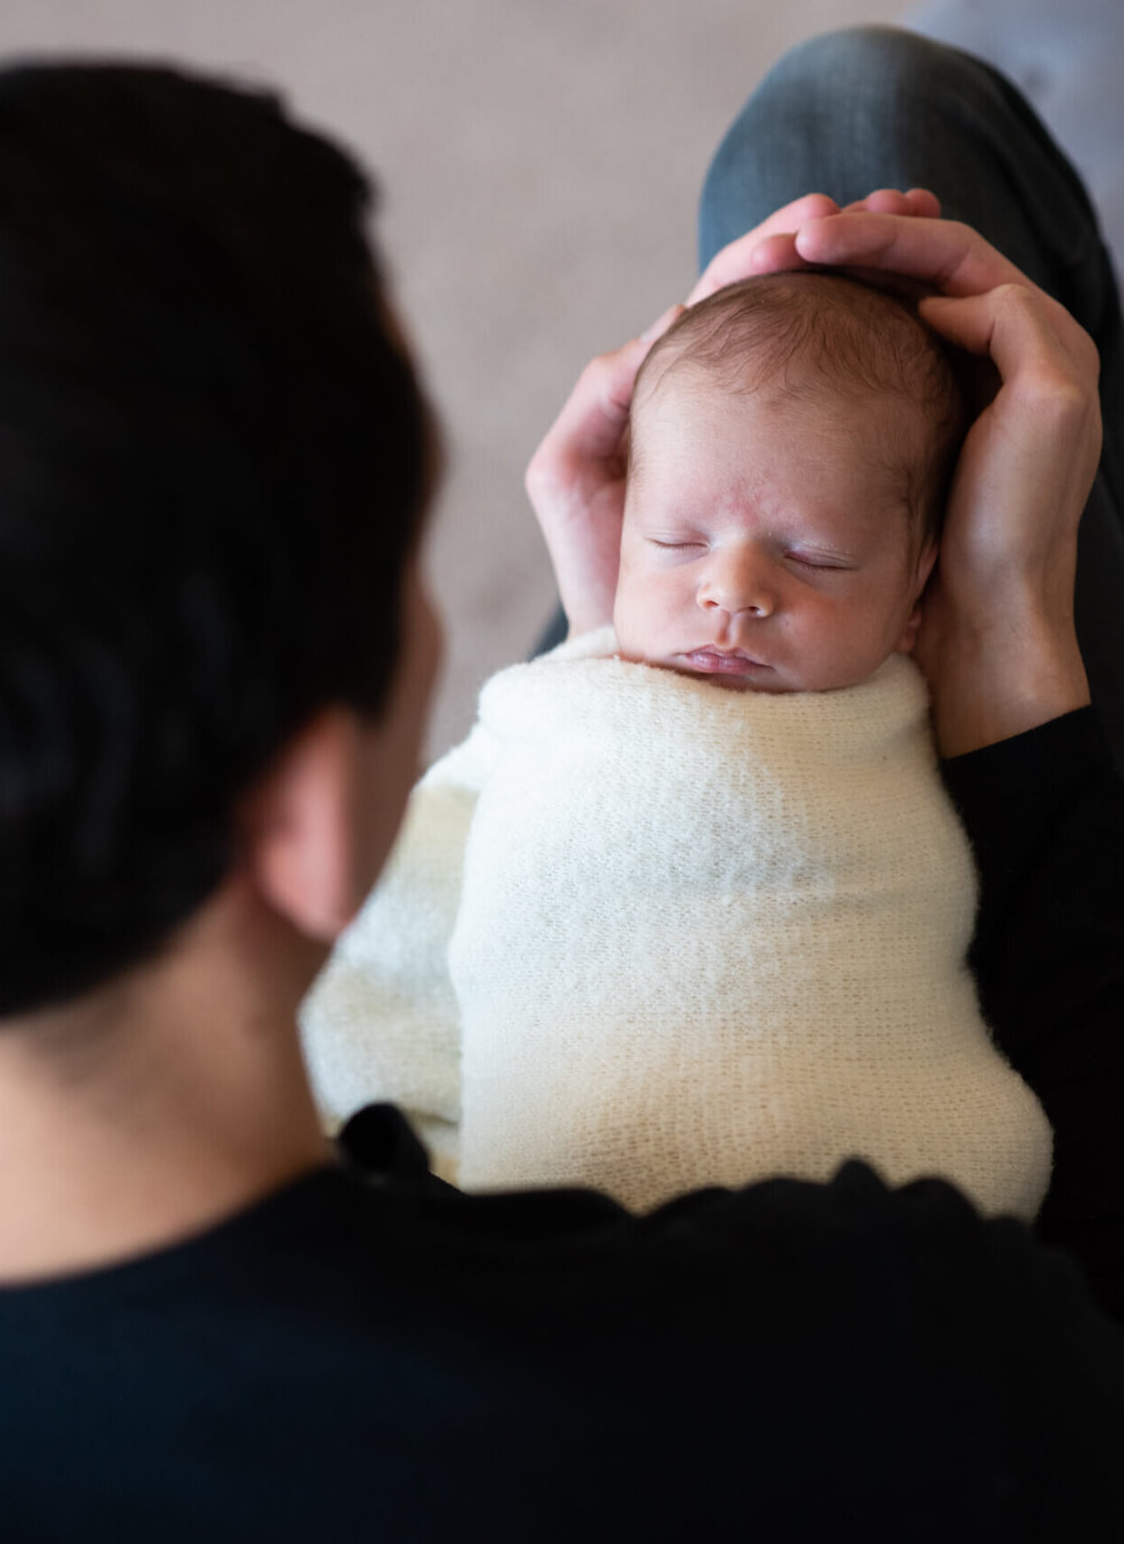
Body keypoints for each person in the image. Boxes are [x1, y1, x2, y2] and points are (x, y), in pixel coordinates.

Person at [0, 33, 1124, 1541]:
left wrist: (640, 654)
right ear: (298, 819)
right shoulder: (861, 1346)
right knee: (871, 112)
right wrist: (1013, 627)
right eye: (408, 570)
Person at [302, 268, 1053, 1221]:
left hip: (874, 1198)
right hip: (582, 1204)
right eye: (676, 540)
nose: (733, 590)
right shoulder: (566, 716)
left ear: (916, 594)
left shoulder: (919, 719)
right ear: (624, 537)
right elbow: (407, 908)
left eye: (813, 555)